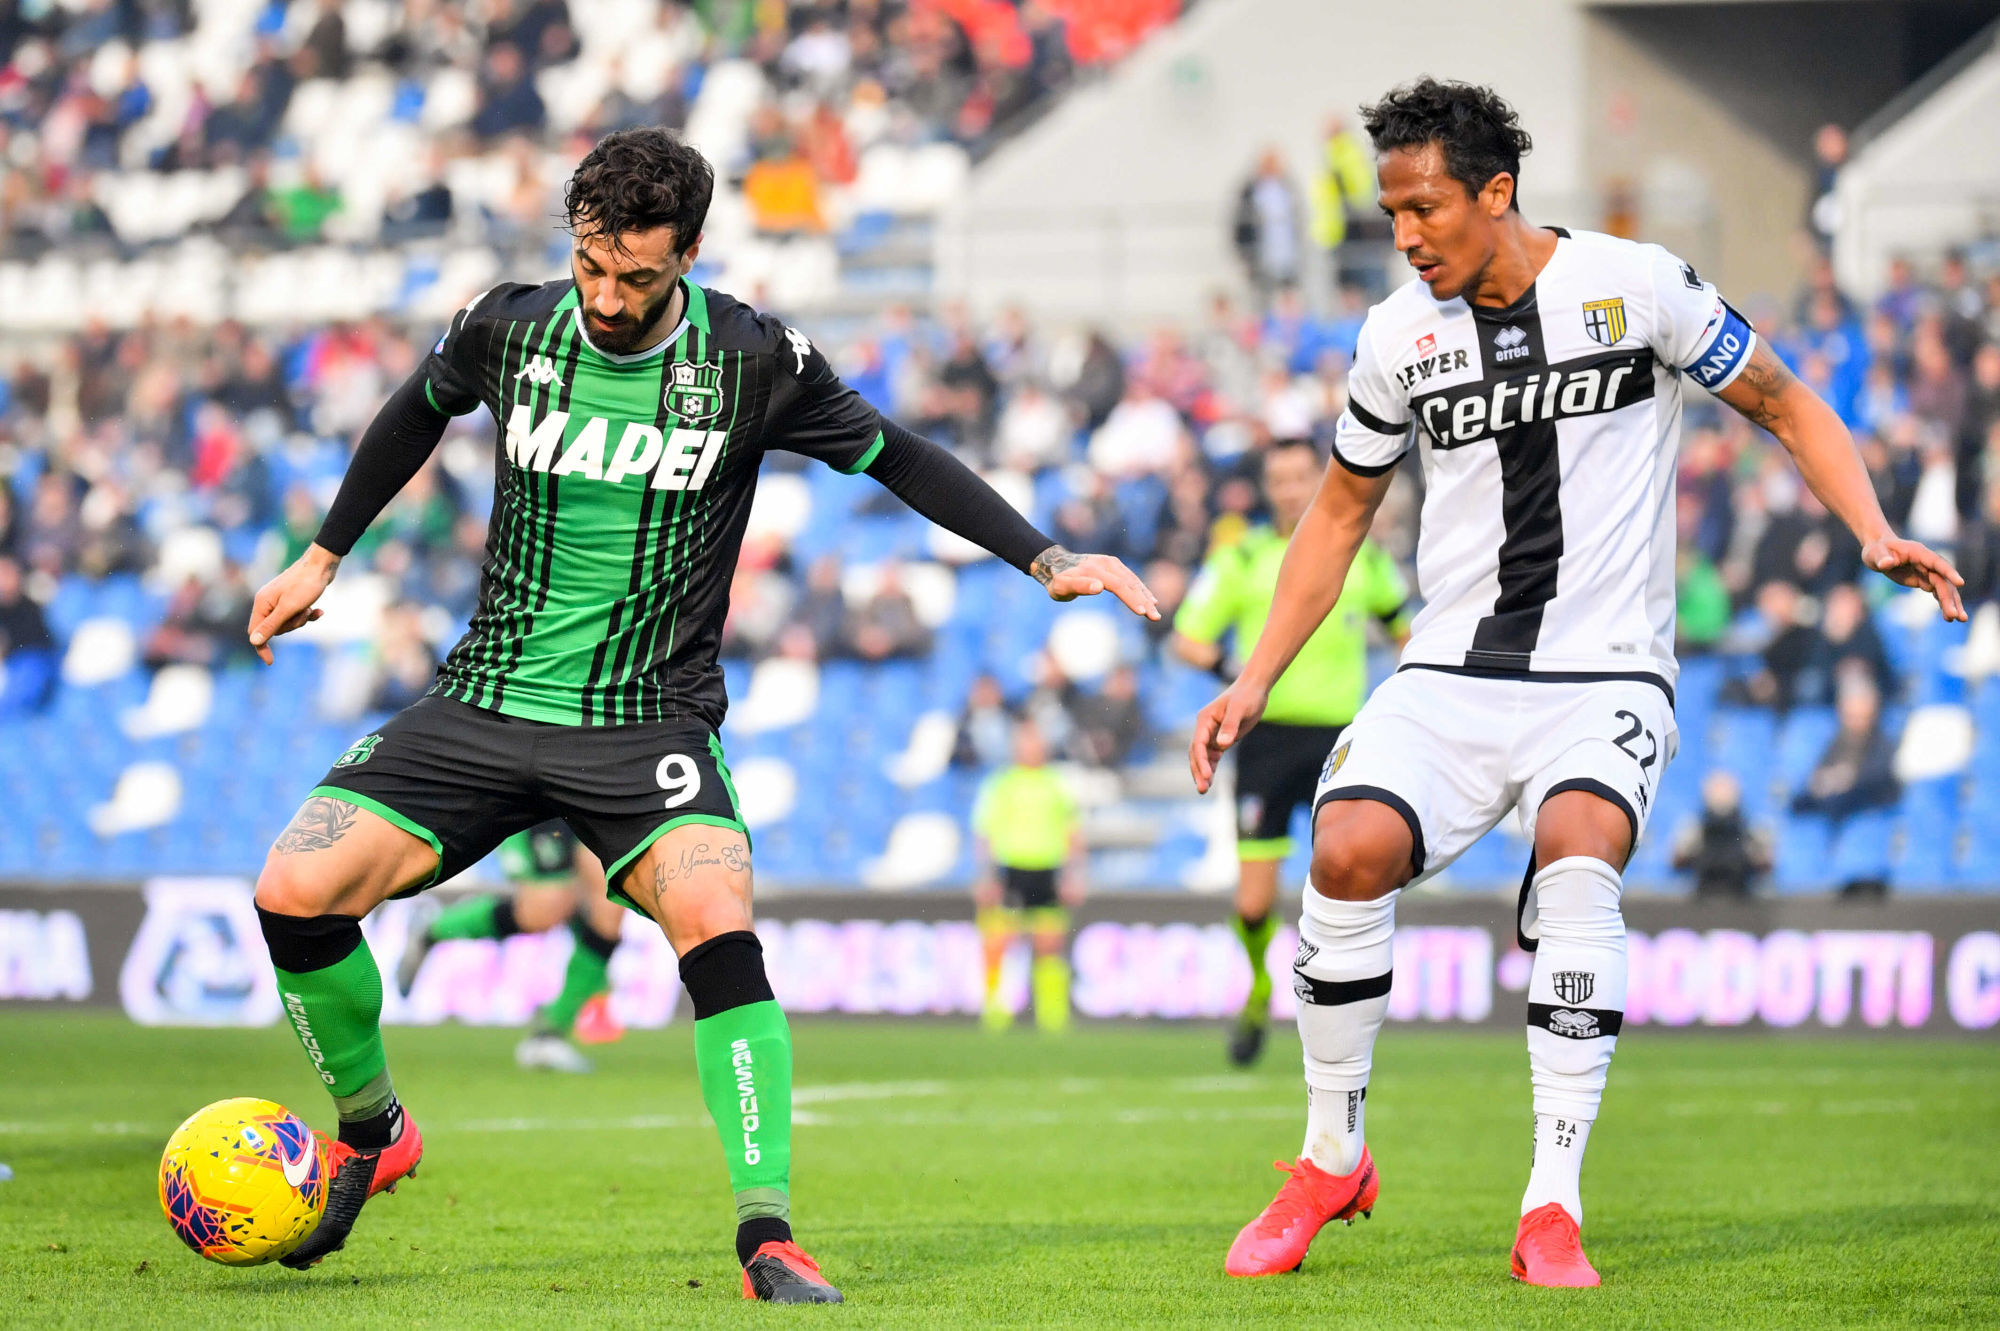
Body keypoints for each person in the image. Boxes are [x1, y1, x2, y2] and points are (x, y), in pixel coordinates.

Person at [242, 127, 1157, 1300]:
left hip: (646, 718)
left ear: (690, 255)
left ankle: (765, 1231)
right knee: (292, 889)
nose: (608, 298)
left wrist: (1041, 557)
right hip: (485, 694)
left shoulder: (753, 360)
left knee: (717, 916)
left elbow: (898, 457)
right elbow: (416, 410)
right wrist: (324, 552)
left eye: (637, 276)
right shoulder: (506, 325)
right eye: (590, 266)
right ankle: (373, 1127)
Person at [1188, 78, 1963, 1289]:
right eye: (1391, 212)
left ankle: (1550, 1200)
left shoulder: (1634, 286)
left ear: (1494, 193)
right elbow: (1339, 516)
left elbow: (1782, 400)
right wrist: (1253, 678)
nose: (1404, 235)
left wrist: (1867, 526)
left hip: (1604, 668)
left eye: (1424, 208)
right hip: (1449, 665)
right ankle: (1328, 1155)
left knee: (1579, 849)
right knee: (1341, 850)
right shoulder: (1396, 335)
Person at [1172, 438, 1409, 1066]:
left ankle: (1340, 1013)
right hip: (1265, 739)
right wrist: (1243, 674)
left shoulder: (1360, 554)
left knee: (1343, 884)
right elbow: (1187, 638)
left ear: (1320, 477)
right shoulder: (1243, 556)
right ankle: (1257, 988)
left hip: (1342, 741)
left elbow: (1405, 628)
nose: (1289, 488)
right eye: (1277, 478)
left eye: (1300, 476)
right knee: (1253, 902)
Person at [395, 820, 625, 1072]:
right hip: (542, 799)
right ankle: (432, 931)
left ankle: (549, 1035)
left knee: (609, 908)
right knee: (545, 909)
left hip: (593, 794)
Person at [971, 718, 1083, 1033]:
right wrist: (986, 876)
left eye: (1035, 742)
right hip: (1011, 870)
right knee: (998, 941)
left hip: (1047, 870)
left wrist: (1073, 875)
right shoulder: (1001, 784)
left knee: (1049, 944)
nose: (1030, 748)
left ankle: (1053, 1017)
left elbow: (1073, 832)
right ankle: (994, 1010)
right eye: (1025, 742)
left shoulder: (1057, 783)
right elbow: (985, 833)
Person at [1669, 771, 1772, 898]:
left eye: (1725, 790)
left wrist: (1751, 854)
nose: (1721, 796)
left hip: (1741, 899)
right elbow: (1676, 862)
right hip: (1702, 899)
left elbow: (1767, 864)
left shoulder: (1752, 828)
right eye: (1717, 790)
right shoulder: (1694, 827)